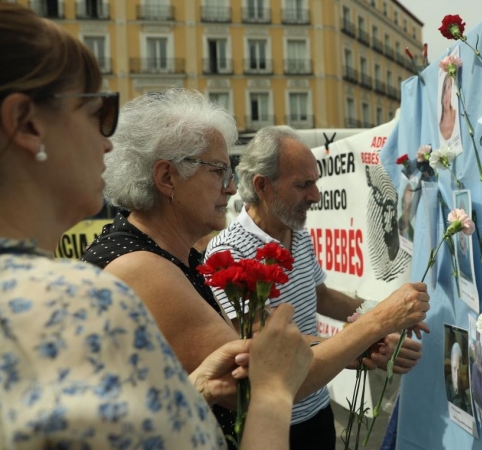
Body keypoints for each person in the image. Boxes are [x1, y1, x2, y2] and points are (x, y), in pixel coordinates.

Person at [0, 4, 311, 448]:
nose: (107, 141)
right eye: (99, 111)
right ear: (26, 123)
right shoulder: (82, 300)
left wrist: (194, 388)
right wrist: (274, 393)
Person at [81, 102, 430, 448]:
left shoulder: (174, 255)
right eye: (218, 171)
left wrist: (358, 343)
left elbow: (264, 351)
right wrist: (378, 321)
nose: (231, 188)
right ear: (167, 177)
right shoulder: (142, 268)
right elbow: (263, 377)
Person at [206, 125, 429, 448]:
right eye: (303, 184)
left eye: (315, 182)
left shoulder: (295, 231)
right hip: (271, 425)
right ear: (262, 185)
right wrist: (370, 339)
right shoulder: (228, 253)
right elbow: (266, 338)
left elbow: (321, 296)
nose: (316, 195)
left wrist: (388, 314)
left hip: (317, 408)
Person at [446, 341, 473, 413]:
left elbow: (468, 404)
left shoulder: (460, 381)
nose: (457, 374)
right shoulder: (447, 382)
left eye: (458, 370)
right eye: (454, 369)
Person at [439, 75, 457, 142]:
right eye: (444, 88)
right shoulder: (439, 124)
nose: (446, 95)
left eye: (449, 87)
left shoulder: (457, 115)